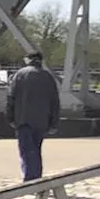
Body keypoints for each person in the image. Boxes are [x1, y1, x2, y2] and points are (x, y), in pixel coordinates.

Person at [6, 51, 61, 182]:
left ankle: (30, 179)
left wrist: (10, 117)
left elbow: (11, 97)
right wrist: (54, 123)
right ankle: (36, 178)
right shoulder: (48, 76)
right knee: (36, 150)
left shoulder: (20, 74)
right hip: (42, 121)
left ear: (28, 59)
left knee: (26, 151)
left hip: (23, 119)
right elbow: (55, 101)